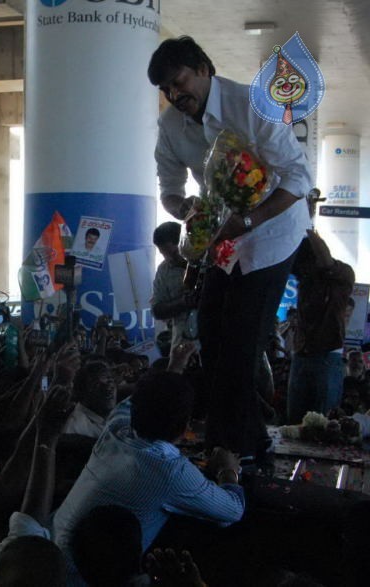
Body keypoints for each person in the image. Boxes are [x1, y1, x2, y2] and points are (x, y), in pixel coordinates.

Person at [149, 36, 313, 465]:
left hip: (271, 235)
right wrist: (185, 209)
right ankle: (243, 441)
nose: (173, 95)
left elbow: (298, 178)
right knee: (212, 335)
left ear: (204, 68)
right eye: (165, 89)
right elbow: (169, 190)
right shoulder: (170, 125)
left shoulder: (252, 106)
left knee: (240, 345)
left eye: (179, 82)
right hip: (222, 241)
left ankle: (230, 450)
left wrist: (250, 220)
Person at [51, 369, 245, 583]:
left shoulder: (115, 428)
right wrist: (228, 470)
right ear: (185, 425)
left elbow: (134, 401)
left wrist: (176, 364)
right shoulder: (169, 471)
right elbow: (233, 510)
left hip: (47, 559)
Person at [287, 230, 354, 423]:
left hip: (327, 355)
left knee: (323, 423)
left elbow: (326, 261)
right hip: (301, 355)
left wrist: (305, 226)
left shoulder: (342, 275)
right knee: (295, 422)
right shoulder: (305, 281)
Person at [150, 222, 195, 348]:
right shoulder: (163, 270)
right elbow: (157, 310)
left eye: (174, 253)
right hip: (181, 342)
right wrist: (183, 302)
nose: (170, 259)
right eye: (164, 254)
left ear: (185, 242)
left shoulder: (209, 259)